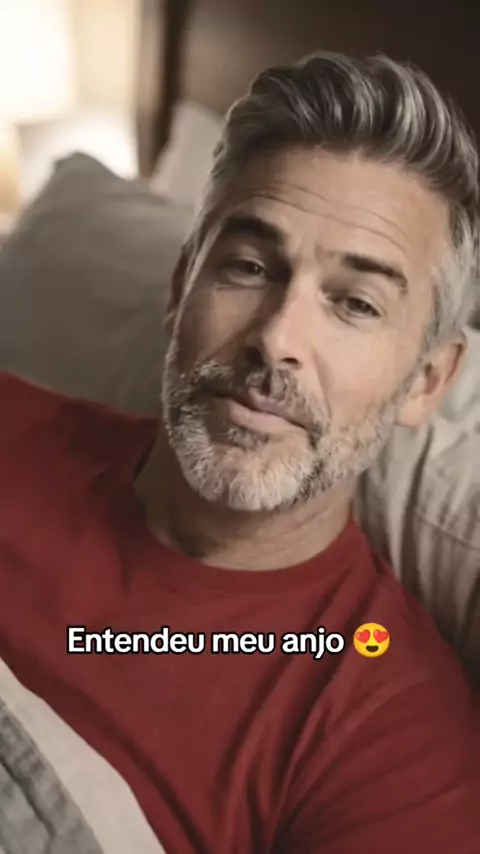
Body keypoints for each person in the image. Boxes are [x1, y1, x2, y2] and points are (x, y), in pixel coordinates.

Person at [0, 52, 479, 853]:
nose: (277, 338)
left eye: (356, 304)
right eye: (250, 267)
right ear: (181, 288)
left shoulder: (396, 751)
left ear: (427, 380)